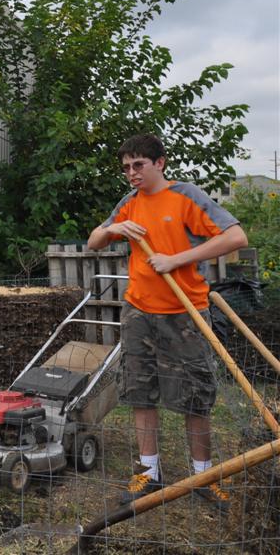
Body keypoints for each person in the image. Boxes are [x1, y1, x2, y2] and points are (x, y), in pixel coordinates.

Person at [87, 133, 247, 509]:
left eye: (138, 165)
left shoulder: (186, 196)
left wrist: (176, 260)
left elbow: (235, 236)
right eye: (126, 167)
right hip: (139, 312)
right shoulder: (129, 203)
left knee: (195, 397)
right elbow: (95, 240)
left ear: (160, 163)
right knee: (140, 393)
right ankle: (149, 473)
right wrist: (113, 229)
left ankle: (203, 477)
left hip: (185, 312)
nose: (131, 173)